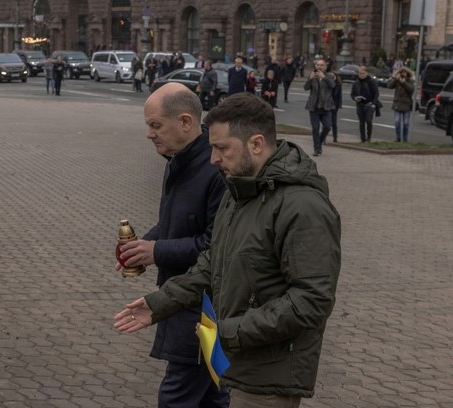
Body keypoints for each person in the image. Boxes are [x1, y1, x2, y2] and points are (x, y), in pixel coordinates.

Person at [114, 92, 341, 408]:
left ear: (256, 144)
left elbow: (312, 300)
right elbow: (212, 262)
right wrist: (159, 304)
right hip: (236, 361)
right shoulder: (241, 193)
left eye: (221, 148)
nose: (213, 159)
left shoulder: (303, 207)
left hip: (267, 379)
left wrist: (231, 331)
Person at [114, 82, 229, 408]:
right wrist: (144, 243)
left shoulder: (215, 169)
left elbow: (216, 245)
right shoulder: (179, 160)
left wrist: (157, 252)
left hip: (204, 305)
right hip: (185, 300)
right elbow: (177, 220)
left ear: (185, 122)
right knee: (213, 395)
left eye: (155, 125)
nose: (150, 134)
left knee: (178, 396)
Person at [304, 58, 335, 156]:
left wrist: (324, 77)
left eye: (322, 65)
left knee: (327, 126)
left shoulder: (329, 76)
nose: (319, 67)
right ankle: (316, 148)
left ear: (325, 67)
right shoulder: (312, 75)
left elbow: (332, 85)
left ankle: (319, 142)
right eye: (318, 65)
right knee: (315, 128)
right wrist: (310, 79)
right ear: (315, 66)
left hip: (326, 107)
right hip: (314, 107)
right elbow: (305, 88)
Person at [350, 65, 379, 142]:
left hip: (369, 104)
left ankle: (369, 137)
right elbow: (352, 94)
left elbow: (376, 93)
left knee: (369, 121)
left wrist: (373, 104)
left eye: (363, 73)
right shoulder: (356, 83)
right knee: (361, 122)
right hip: (360, 104)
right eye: (360, 73)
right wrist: (355, 98)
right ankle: (362, 138)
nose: (361, 75)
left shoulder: (371, 81)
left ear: (367, 73)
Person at [387, 67, 415, 142]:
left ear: (407, 74)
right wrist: (395, 78)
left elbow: (411, 90)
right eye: (401, 72)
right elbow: (389, 86)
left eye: (405, 72)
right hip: (397, 104)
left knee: (406, 123)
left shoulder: (410, 81)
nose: (403, 74)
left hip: (406, 105)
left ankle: (405, 138)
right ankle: (398, 138)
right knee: (397, 121)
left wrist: (404, 83)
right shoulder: (397, 81)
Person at [330, 70, 343, 143]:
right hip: (327, 105)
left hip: (335, 105)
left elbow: (339, 96)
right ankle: (324, 137)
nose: (332, 78)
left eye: (333, 77)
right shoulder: (328, 84)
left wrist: (340, 104)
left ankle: (335, 138)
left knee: (334, 122)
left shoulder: (338, 85)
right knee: (327, 123)